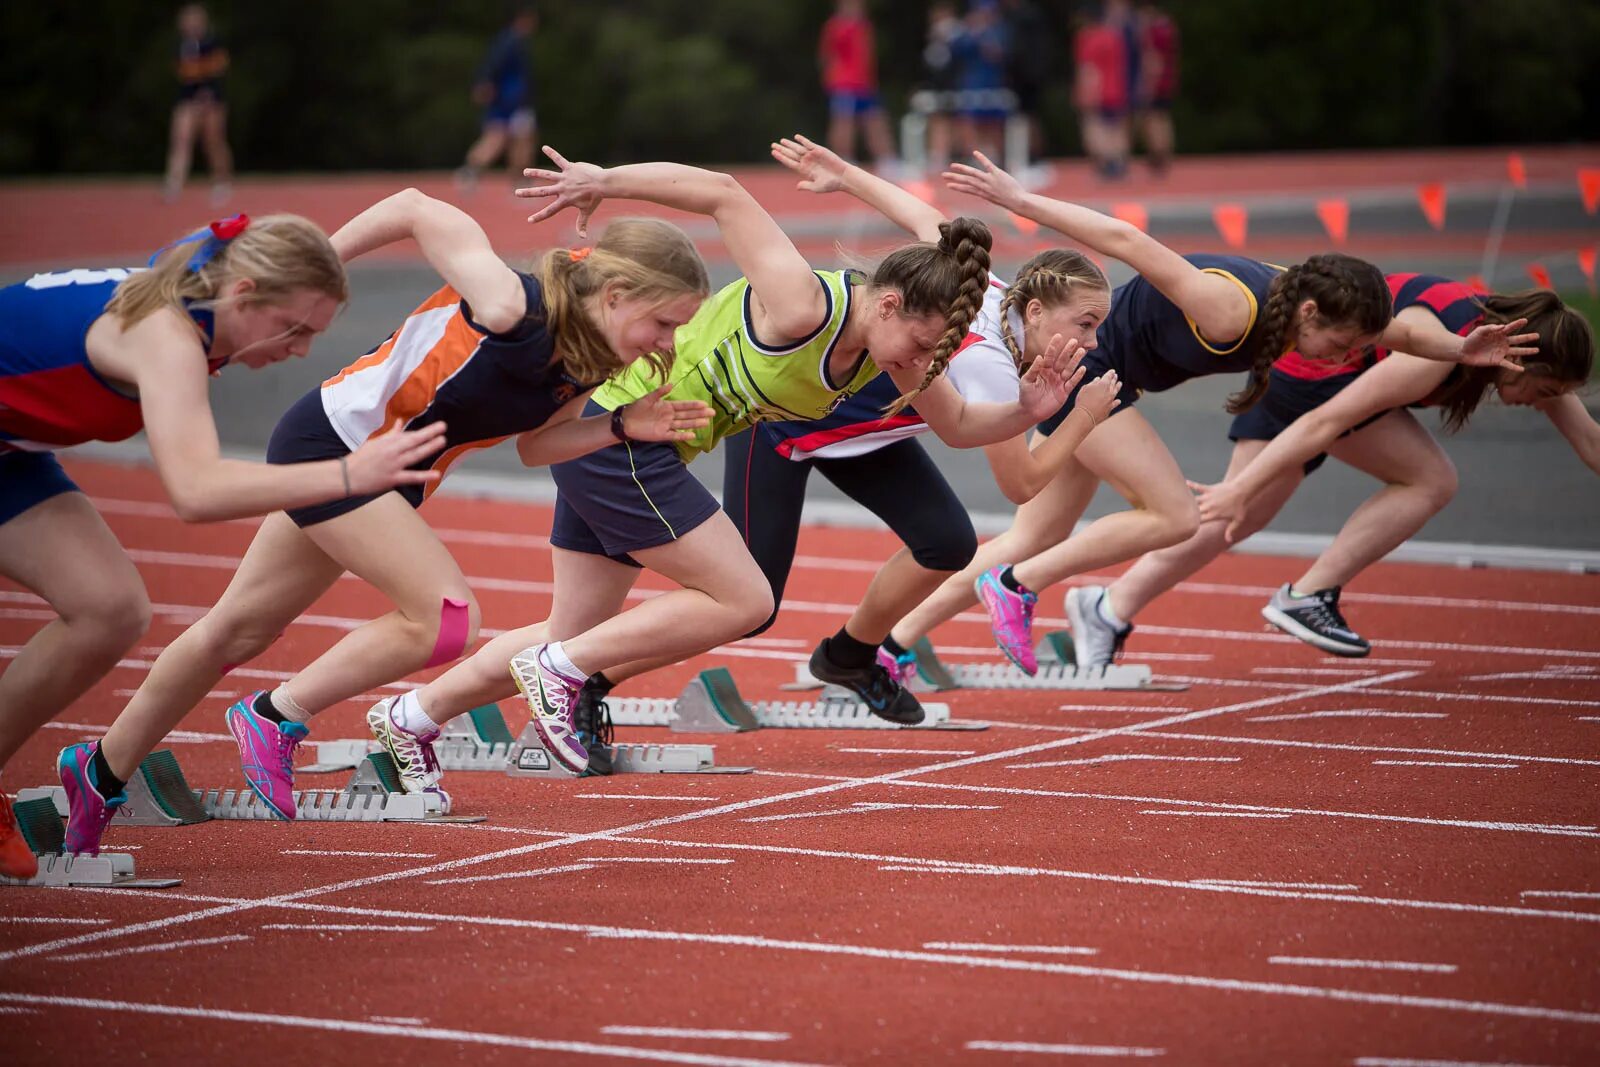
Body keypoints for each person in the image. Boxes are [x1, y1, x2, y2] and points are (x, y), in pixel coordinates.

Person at [371, 146, 1078, 784]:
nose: (921, 366)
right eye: (920, 346)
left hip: (618, 443)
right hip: (621, 437)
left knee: (572, 629)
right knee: (745, 600)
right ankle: (558, 674)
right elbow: (724, 192)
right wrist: (605, 180)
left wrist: (1027, 408)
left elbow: (955, 426)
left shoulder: (886, 351)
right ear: (888, 302)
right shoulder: (804, 304)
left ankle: (413, 714)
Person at [60, 177, 720, 853]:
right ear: (614, 296)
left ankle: (100, 770)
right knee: (446, 616)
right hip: (333, 444)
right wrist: (314, 278)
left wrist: (622, 424)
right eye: (663, 323)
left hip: (388, 478)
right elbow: (412, 205)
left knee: (235, 629)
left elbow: (536, 447)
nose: (667, 343)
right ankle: (275, 713)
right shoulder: (506, 303)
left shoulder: (586, 360)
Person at [562, 136, 1121, 769]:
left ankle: (851, 654)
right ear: (1038, 308)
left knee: (946, 541)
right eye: (1084, 325)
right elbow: (1019, 483)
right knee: (749, 605)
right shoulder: (965, 350)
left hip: (854, 423)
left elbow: (924, 228)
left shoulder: (962, 292)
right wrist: (604, 179)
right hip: (778, 424)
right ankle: (591, 677)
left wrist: (847, 174)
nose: (1093, 341)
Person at [887, 152, 1537, 674]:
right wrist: (1021, 202)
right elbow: (1125, 238)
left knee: (1035, 531)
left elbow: (1400, 335)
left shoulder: (1309, 302)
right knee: (1172, 515)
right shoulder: (1230, 310)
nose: (1347, 358)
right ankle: (1016, 585)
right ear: (1310, 316)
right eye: (1341, 347)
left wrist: (1458, 347)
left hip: (1109, 377)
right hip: (1087, 369)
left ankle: (891, 647)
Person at [0, 213, 444, 877]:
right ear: (243, 296)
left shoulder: (201, 273)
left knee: (110, 608)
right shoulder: (165, 335)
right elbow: (195, 492)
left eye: (313, 334)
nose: (299, 350)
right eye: (294, 329)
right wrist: (351, 475)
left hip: (12, 452)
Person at [1122, 283, 1594, 658]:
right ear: (1524, 360)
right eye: (1546, 390)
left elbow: (1591, 443)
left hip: (1317, 378)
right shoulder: (1437, 351)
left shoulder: (1508, 347)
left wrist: (1242, 492)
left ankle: (1108, 608)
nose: (1544, 404)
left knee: (1236, 519)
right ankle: (1306, 596)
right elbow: (1325, 421)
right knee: (1430, 479)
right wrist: (1242, 486)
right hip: (1307, 373)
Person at [457, 6, 539, 191]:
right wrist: (484, 83)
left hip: (508, 100)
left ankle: (472, 171)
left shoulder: (509, 40)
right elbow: (492, 66)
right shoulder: (512, 41)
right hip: (512, 101)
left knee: (503, 138)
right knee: (516, 140)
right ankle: (519, 180)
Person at [162, 3, 234, 205]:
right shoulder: (181, 47)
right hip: (187, 101)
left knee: (213, 141)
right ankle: (174, 183)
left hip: (213, 101)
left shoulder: (214, 43)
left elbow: (219, 72)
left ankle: (222, 182)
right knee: (181, 139)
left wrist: (207, 95)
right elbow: (183, 75)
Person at [819, 0, 896, 169]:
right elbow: (826, 55)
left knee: (876, 120)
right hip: (844, 83)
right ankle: (841, 160)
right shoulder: (836, 26)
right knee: (843, 122)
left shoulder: (864, 26)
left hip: (865, 84)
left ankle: (887, 160)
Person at [1073, 8, 1130, 180]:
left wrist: (1085, 93)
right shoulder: (1114, 36)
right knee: (1116, 127)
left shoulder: (1087, 37)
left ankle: (1107, 163)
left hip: (1099, 91)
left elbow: (1089, 69)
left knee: (1095, 127)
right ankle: (1120, 162)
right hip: (1117, 88)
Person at [1135, 1, 1179, 176]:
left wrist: (1148, 84)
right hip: (1168, 78)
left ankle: (1158, 156)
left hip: (1157, 80)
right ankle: (1164, 154)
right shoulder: (1169, 26)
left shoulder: (1153, 31)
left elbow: (1152, 59)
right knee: (1163, 117)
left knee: (1153, 119)